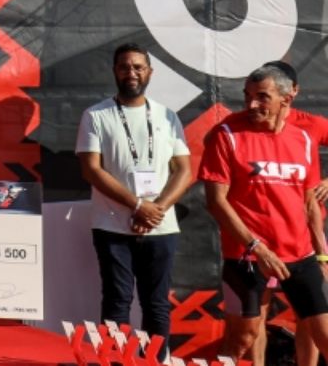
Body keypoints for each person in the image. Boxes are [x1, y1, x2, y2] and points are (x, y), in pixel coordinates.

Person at [75, 43, 193, 361]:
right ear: (115, 71)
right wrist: (138, 206)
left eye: (138, 67)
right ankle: (115, 361)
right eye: (125, 67)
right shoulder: (95, 115)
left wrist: (156, 210)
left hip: (160, 227)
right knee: (117, 300)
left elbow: (184, 171)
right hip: (112, 225)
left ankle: (154, 361)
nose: (132, 73)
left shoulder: (168, 116)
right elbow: (91, 170)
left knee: (157, 303)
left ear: (150, 72)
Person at [204, 64, 328, 362]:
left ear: (287, 97)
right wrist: (257, 248)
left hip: (300, 255)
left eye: (262, 97)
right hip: (247, 256)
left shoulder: (303, 138)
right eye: (247, 96)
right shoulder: (227, 134)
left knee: (324, 334)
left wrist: (322, 255)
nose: (251, 104)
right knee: (242, 338)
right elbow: (216, 201)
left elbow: (309, 203)